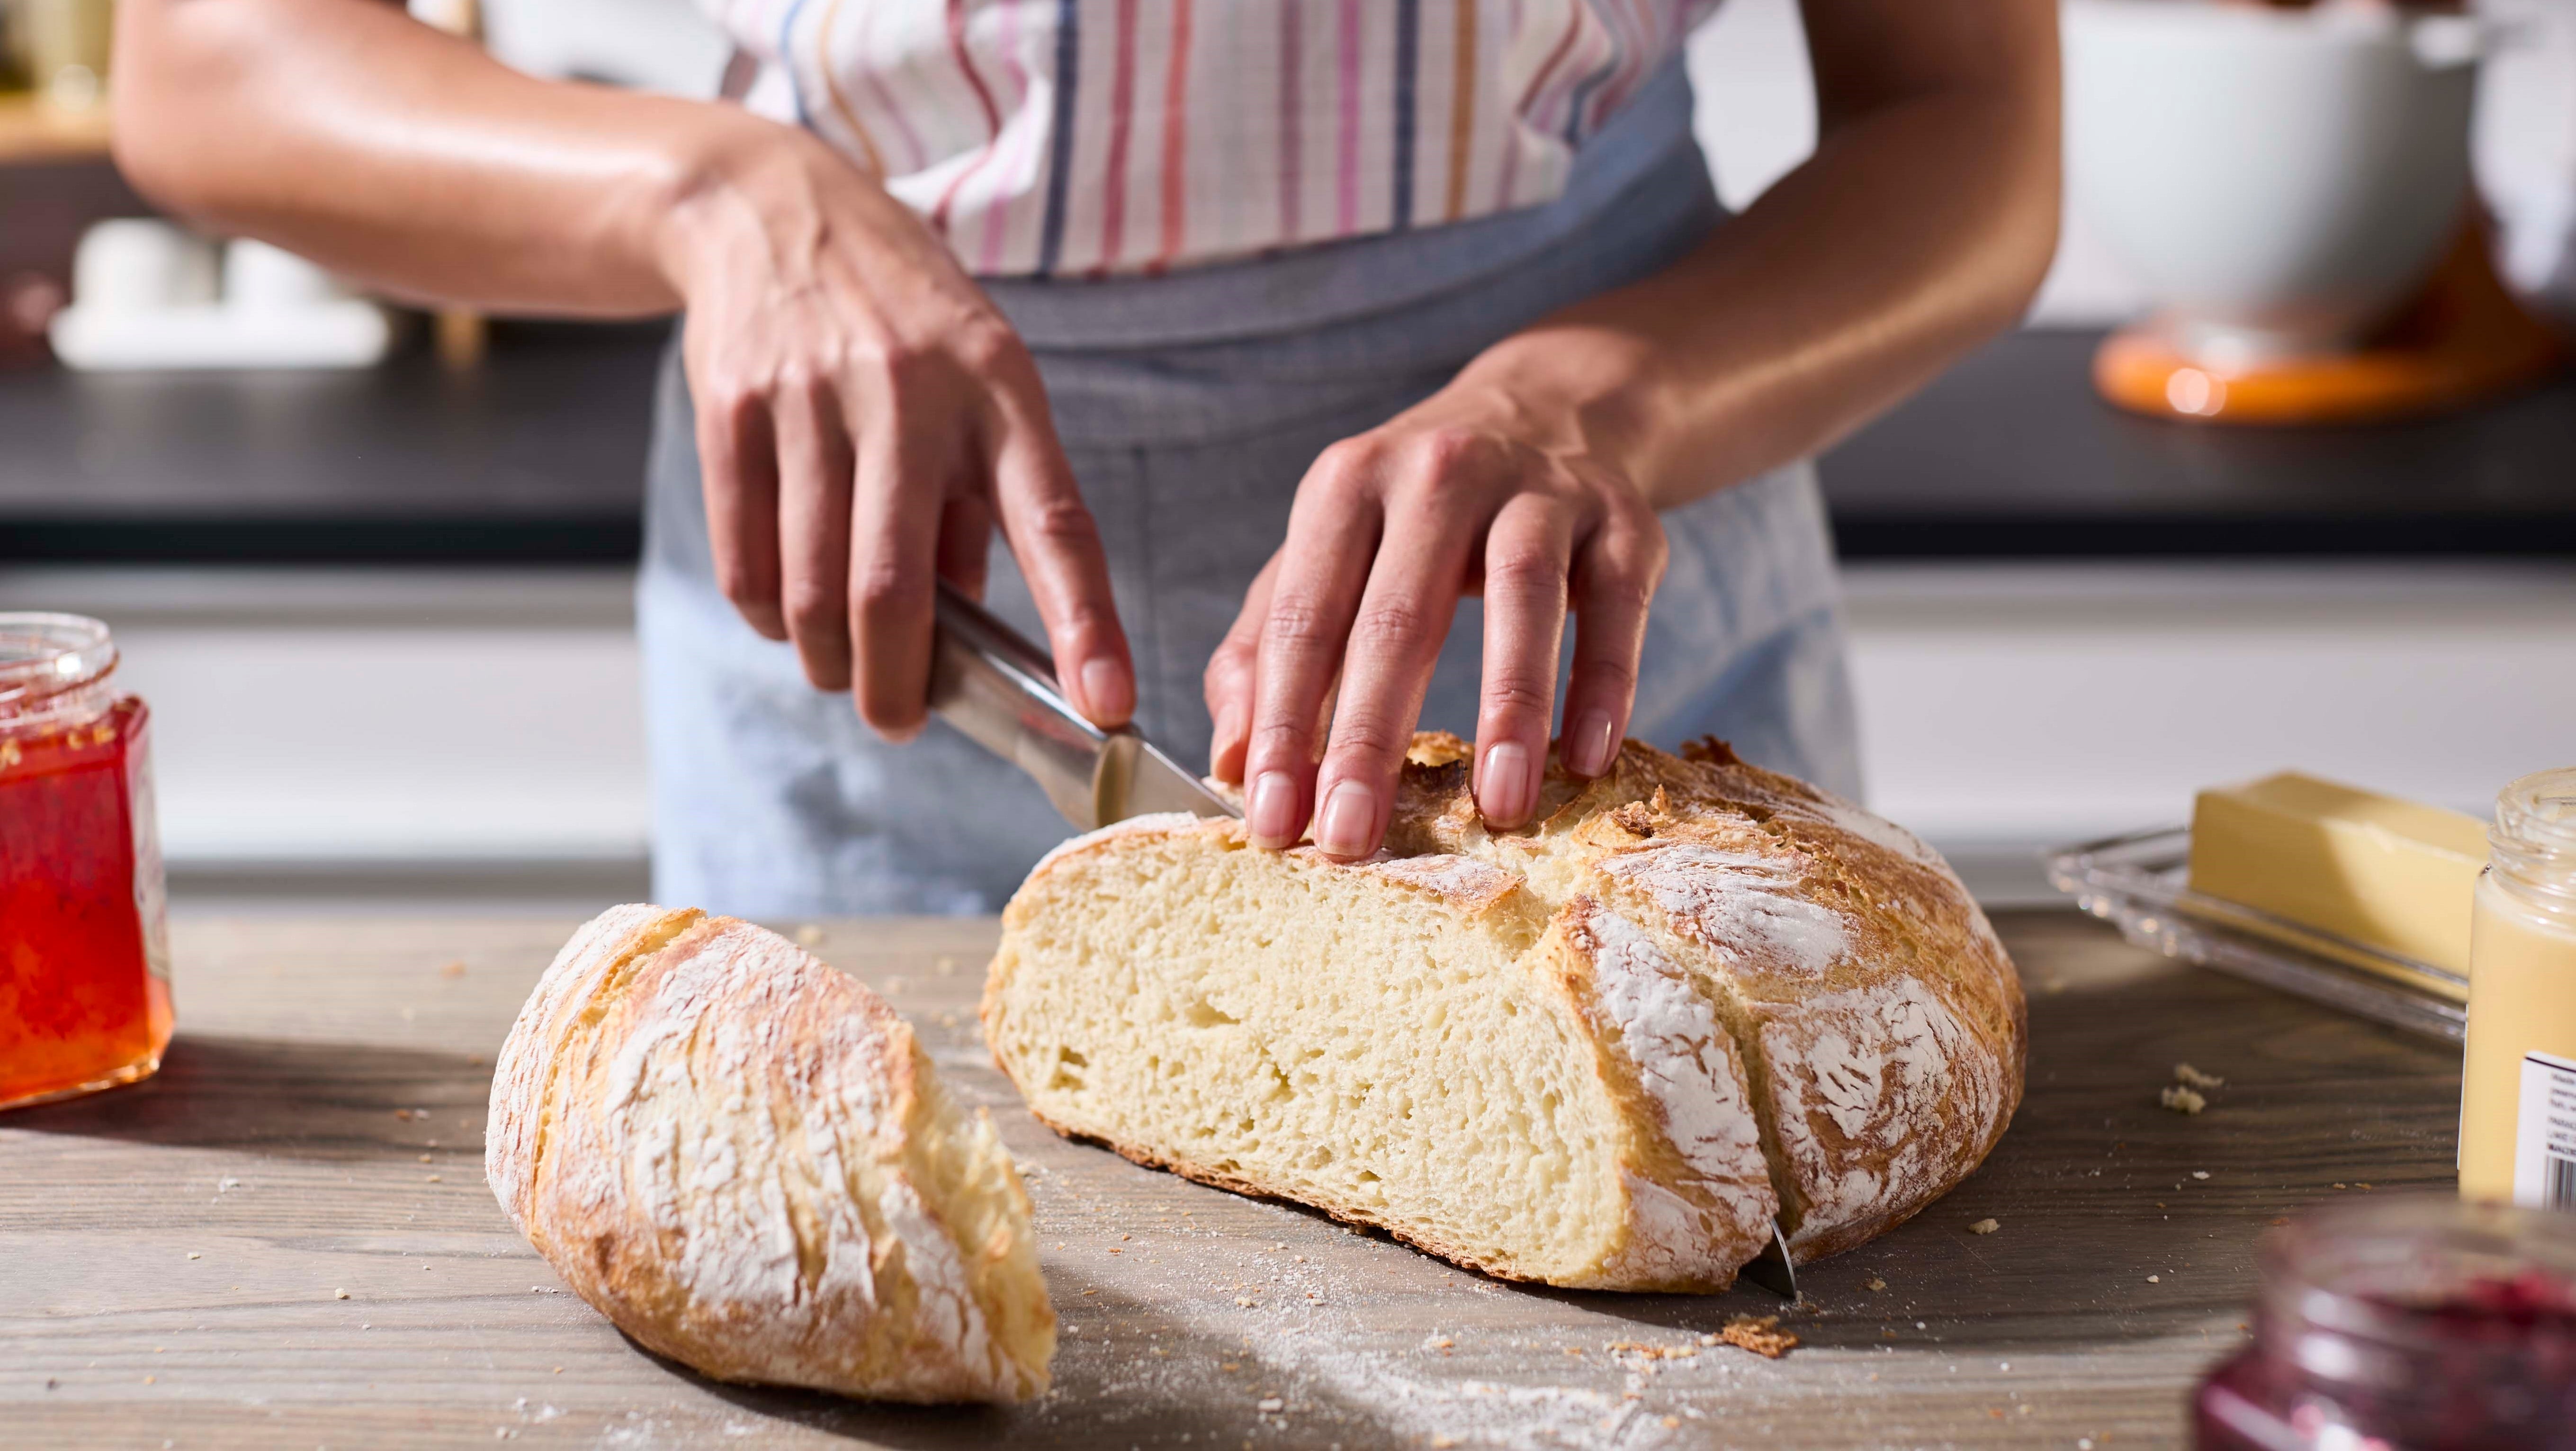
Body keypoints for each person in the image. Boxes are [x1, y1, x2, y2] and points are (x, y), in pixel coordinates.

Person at [114, 0, 2057, 914]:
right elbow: (213, 64)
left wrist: (1592, 401)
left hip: (1595, 606)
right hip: (888, 639)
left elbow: (1970, 126)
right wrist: (711, 196)